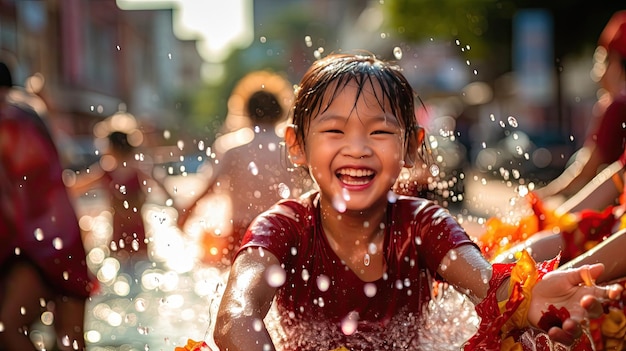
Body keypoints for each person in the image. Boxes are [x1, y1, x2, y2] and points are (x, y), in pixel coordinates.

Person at [209, 53, 623, 351]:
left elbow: (486, 281)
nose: (357, 149)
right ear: (297, 146)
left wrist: (529, 297)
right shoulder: (284, 227)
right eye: (334, 131)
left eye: (380, 132)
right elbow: (234, 319)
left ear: (411, 148)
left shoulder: (422, 222)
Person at [0, 61, 94, 350]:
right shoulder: (31, 113)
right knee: (70, 341)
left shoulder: (8, 119)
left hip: (30, 244)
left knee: (8, 330)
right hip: (65, 240)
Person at [178, 71, 311, 265]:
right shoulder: (292, 145)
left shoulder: (232, 147)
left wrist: (186, 213)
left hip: (243, 234)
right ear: (281, 110)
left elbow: (210, 188)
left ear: (245, 110)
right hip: (286, 231)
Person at [534, 11, 626, 206]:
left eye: (602, 61)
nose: (597, 73)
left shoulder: (617, 107)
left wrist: (545, 197)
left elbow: (586, 172)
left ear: (616, 66)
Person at [66, 108, 169, 276]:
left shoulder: (106, 171)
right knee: (142, 273)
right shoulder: (139, 168)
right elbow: (164, 187)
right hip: (139, 236)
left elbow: (75, 187)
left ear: (111, 146)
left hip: (117, 237)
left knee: (121, 275)